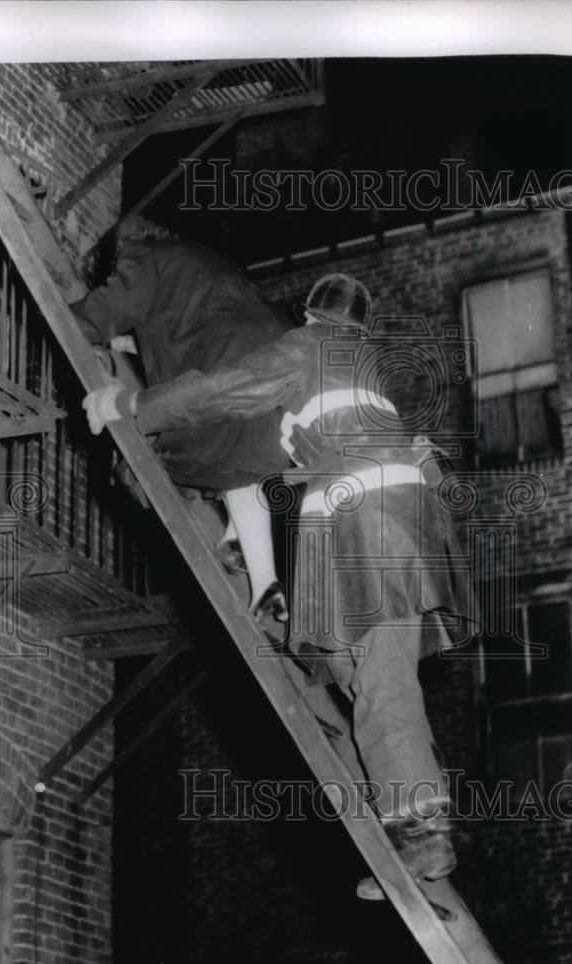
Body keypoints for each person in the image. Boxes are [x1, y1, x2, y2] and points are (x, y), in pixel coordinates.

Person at [83, 273, 478, 894]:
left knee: (378, 678)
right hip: (391, 527)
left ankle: (422, 834)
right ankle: (407, 823)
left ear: (310, 315)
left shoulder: (307, 348)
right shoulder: (363, 365)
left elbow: (228, 389)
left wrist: (130, 404)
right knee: (358, 673)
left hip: (363, 529)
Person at [72, 215, 290, 619]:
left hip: (222, 369)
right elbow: (193, 324)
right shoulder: (202, 260)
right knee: (242, 465)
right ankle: (263, 578)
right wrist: (131, 342)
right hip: (273, 372)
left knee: (146, 469)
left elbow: (114, 305)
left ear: (126, 246)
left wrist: (73, 320)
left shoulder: (142, 253)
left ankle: (237, 540)